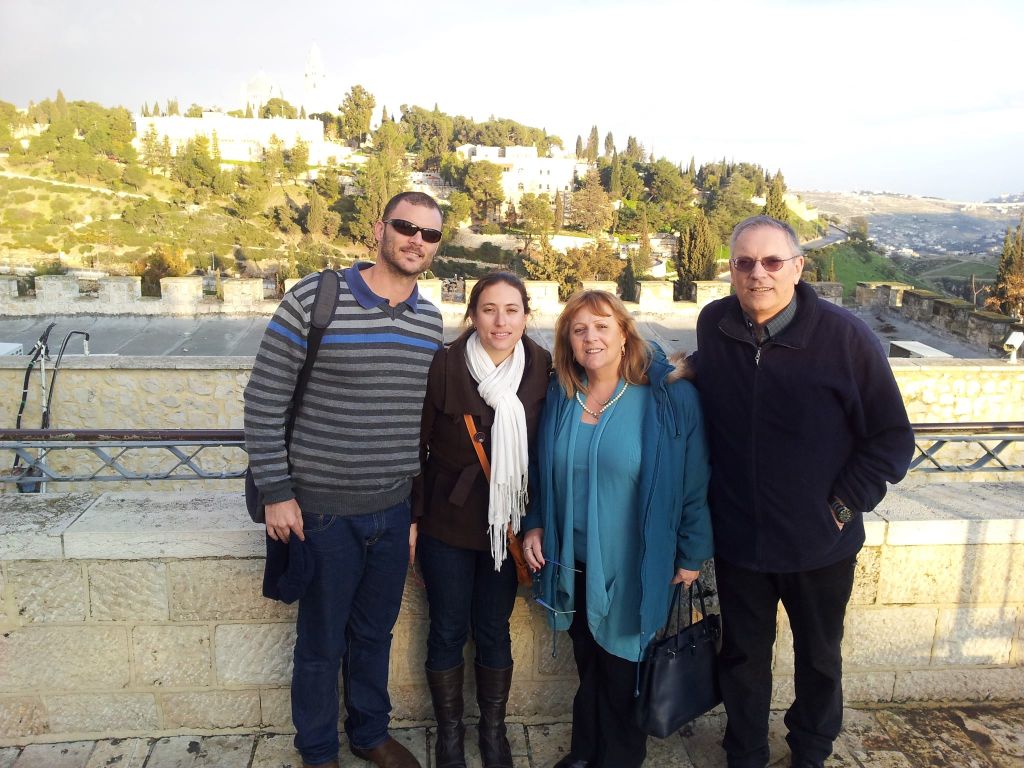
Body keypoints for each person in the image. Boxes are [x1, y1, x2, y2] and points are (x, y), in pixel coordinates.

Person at [693, 215, 915, 768]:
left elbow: (891, 437)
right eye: (744, 262)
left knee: (819, 658)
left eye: (772, 262)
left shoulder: (846, 338)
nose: (757, 274)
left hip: (821, 542)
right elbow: (720, 376)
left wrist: (841, 507)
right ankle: (744, 751)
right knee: (743, 657)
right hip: (741, 538)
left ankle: (810, 750)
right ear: (730, 270)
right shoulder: (714, 325)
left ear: (797, 267)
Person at [244, 192, 446, 768]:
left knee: (374, 634)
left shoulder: (430, 321)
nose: (416, 241)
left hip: (390, 512)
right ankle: (316, 751)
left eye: (430, 235)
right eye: (406, 227)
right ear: (380, 228)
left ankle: (369, 733)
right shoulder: (315, 298)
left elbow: (420, 427)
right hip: (321, 512)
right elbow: (262, 401)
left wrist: (412, 514)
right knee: (320, 643)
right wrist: (279, 494)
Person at [522, 290, 713, 768]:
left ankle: (619, 758)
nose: (591, 337)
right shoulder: (564, 397)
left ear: (624, 334)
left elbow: (694, 481)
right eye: (580, 328)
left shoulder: (669, 399)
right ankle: (586, 753)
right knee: (588, 664)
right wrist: (536, 524)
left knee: (623, 670)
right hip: (573, 561)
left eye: (602, 325)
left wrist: (691, 555)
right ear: (568, 340)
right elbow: (543, 472)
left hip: (636, 563)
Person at [413, 272, 551, 768]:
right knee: (447, 628)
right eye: (489, 309)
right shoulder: (445, 365)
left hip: (508, 525)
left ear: (526, 316)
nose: (500, 320)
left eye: (511, 310)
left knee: (493, 629)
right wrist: (413, 518)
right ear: (472, 315)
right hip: (447, 522)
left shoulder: (541, 366)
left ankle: (493, 732)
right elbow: (417, 447)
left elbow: (549, 448)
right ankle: (450, 737)